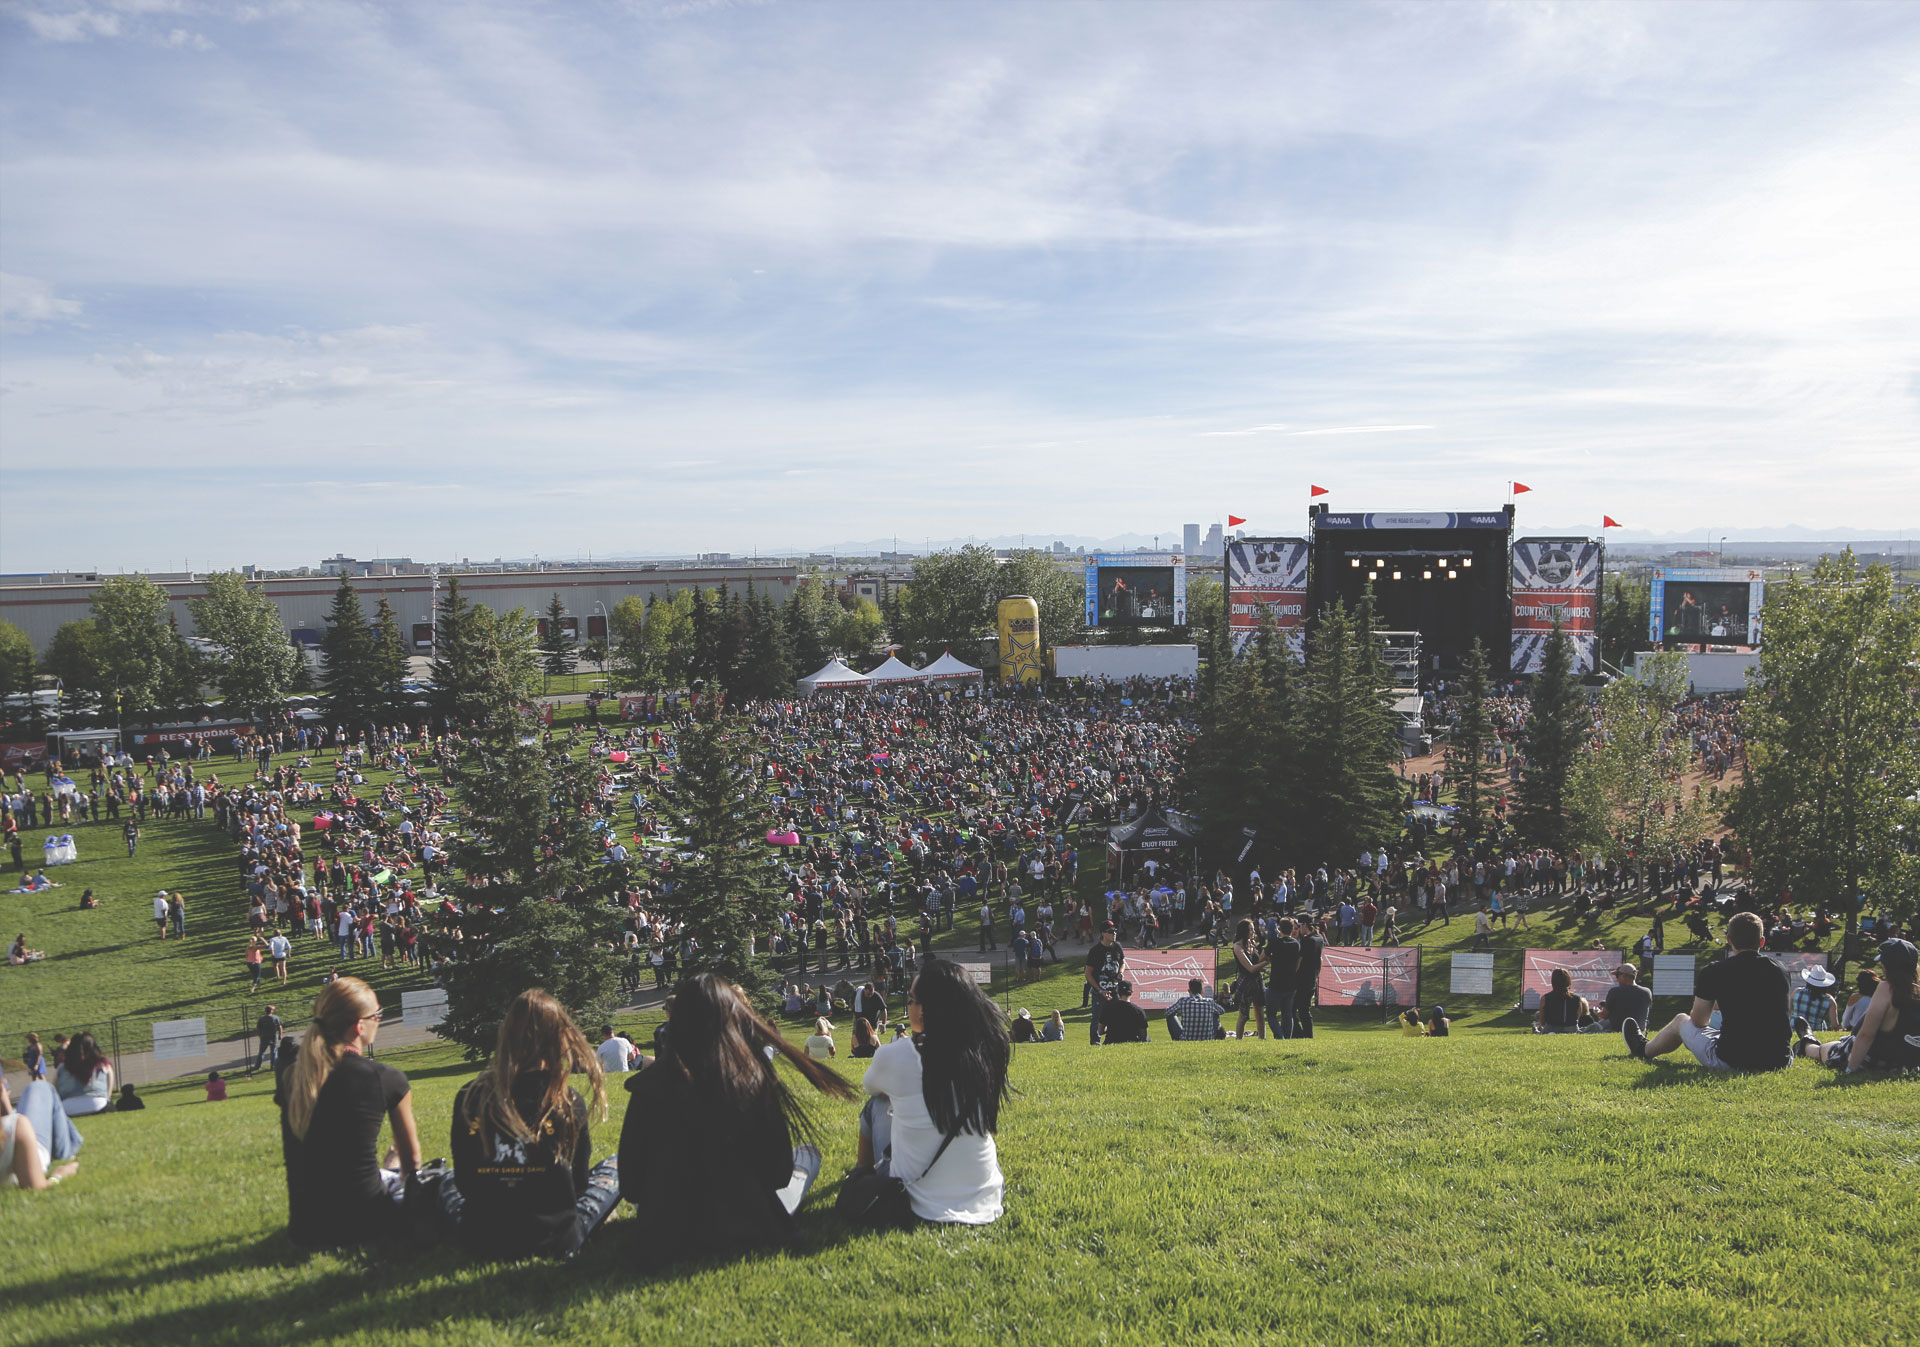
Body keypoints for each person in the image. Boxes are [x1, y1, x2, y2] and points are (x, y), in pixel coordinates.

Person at [618, 973, 855, 1266]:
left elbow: (631, 1185)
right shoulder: (752, 1081)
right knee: (807, 1155)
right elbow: (780, 1174)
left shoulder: (648, 1087)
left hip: (668, 1230)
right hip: (747, 1225)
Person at [440, 988, 621, 1259]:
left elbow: (466, 1182)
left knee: (444, 1177)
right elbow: (579, 1184)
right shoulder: (566, 1100)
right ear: (559, 1037)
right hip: (554, 1238)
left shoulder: (470, 1095)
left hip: (483, 1237)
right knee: (615, 1166)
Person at [853, 957, 1006, 1226]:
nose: (909, 1006)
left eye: (912, 1000)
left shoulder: (896, 1055)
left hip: (918, 1200)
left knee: (875, 1104)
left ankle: (861, 1175)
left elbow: (870, 1087)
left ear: (926, 1010)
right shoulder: (986, 1052)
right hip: (987, 1195)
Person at [280, 977, 423, 1249]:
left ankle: (385, 1170)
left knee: (383, 1172)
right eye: (378, 1015)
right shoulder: (386, 1078)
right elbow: (413, 1163)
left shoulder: (294, 1078)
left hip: (305, 1231)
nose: (379, 1020)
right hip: (367, 1227)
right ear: (360, 1026)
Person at [1624, 912, 1789, 1071]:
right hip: (1780, 1059)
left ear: (1729, 939)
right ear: (1761, 942)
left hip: (1733, 1060)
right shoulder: (1780, 970)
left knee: (1681, 1020)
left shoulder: (1715, 971)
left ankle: (1643, 1049)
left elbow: (1699, 1021)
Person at [1795, 939, 1920, 1074]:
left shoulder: (1886, 988)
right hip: (1900, 1065)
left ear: (1886, 966)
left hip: (1871, 1059)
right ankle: (1810, 1039)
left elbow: (1866, 1035)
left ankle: (1807, 1041)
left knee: (1824, 1049)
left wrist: (1850, 1069)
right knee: (1839, 1043)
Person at [1, 1075, 81, 1190]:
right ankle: (69, 1149)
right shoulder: (16, 1126)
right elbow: (37, 1187)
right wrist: (60, 1174)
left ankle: (74, 1141)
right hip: (30, 1157)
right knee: (40, 1087)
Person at [1083, 922, 1128, 1046]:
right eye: (1110, 931)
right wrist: (1099, 990)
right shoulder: (1095, 951)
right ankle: (1095, 1042)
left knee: (1117, 1016)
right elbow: (1088, 973)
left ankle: (1114, 1040)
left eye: (1114, 931)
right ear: (1103, 934)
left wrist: (1120, 972)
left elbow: (1122, 962)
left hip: (1114, 990)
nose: (1114, 933)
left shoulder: (1117, 946)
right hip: (1100, 992)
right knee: (1097, 1018)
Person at [1580, 964, 1653, 1035]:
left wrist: (1597, 1012)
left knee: (1593, 1027)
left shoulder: (1615, 991)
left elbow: (1604, 1016)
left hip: (1616, 1029)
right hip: (1640, 1030)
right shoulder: (1647, 992)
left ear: (1624, 976)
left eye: (1617, 976)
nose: (1617, 979)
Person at [55, 1032, 114, 1116]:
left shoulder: (62, 1067)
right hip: (98, 1104)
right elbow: (108, 1094)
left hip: (67, 1108)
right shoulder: (104, 1064)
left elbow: (55, 1090)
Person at [1230, 919, 1267, 1041]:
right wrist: (1267, 961)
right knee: (1244, 1015)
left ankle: (1263, 1040)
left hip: (1257, 982)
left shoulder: (1251, 944)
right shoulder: (1237, 947)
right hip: (1246, 983)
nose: (1253, 931)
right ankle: (1238, 1041)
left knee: (1260, 1014)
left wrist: (1266, 970)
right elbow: (1250, 968)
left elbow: (1257, 964)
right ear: (1244, 931)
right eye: (1250, 929)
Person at [1533, 967, 1588, 1034]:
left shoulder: (1545, 998)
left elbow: (1542, 1018)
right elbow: (1577, 1016)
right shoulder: (1577, 999)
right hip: (1572, 1028)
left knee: (1538, 1029)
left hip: (1551, 1027)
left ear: (1553, 981)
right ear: (1568, 980)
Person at [1791, 965, 1839, 1033]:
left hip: (1794, 1029)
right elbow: (1835, 1025)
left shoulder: (1796, 992)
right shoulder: (1830, 1001)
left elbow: (1788, 1012)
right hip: (1815, 1033)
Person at [256, 1005, 283, 1075]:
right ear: (271, 1011)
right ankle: (273, 1066)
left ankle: (257, 1066)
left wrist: (260, 1035)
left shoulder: (261, 1019)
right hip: (273, 1037)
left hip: (264, 1037)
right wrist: (280, 1035)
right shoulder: (275, 1018)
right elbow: (280, 1027)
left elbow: (258, 1028)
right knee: (274, 1052)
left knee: (261, 1052)